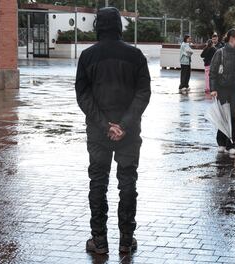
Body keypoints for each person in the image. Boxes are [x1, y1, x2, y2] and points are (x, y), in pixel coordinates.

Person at [75, 7, 151, 255]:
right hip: (128, 134)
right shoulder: (136, 56)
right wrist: (124, 125)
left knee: (98, 183)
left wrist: (103, 124)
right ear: (119, 26)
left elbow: (83, 95)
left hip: (99, 134)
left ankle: (99, 240)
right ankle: (126, 241)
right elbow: (143, 93)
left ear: (98, 26)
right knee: (127, 183)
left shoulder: (87, 56)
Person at [210, 29, 235, 155]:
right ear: (231, 38)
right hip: (222, 88)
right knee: (223, 115)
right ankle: (221, 142)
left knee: (232, 115)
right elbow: (213, 72)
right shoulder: (220, 52)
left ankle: (231, 144)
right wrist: (213, 89)